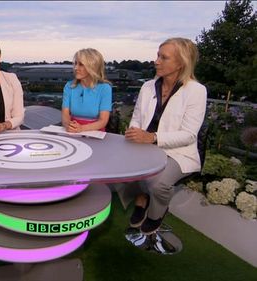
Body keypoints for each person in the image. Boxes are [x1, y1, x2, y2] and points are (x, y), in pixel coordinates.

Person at [124, 37, 207, 234]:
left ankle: (156, 214)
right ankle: (141, 199)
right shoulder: (147, 87)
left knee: (158, 183)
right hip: (145, 144)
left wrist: (152, 138)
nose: (157, 61)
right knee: (122, 165)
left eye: (164, 57)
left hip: (178, 152)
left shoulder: (197, 91)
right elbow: (136, 117)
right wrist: (135, 132)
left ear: (181, 63)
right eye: (157, 55)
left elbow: (188, 135)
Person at [61, 48, 112, 133]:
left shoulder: (105, 88)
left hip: (95, 134)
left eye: (81, 64)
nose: (76, 68)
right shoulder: (69, 86)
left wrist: (81, 128)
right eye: (75, 64)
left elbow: (103, 121)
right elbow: (65, 114)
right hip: (72, 132)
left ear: (93, 67)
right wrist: (68, 126)